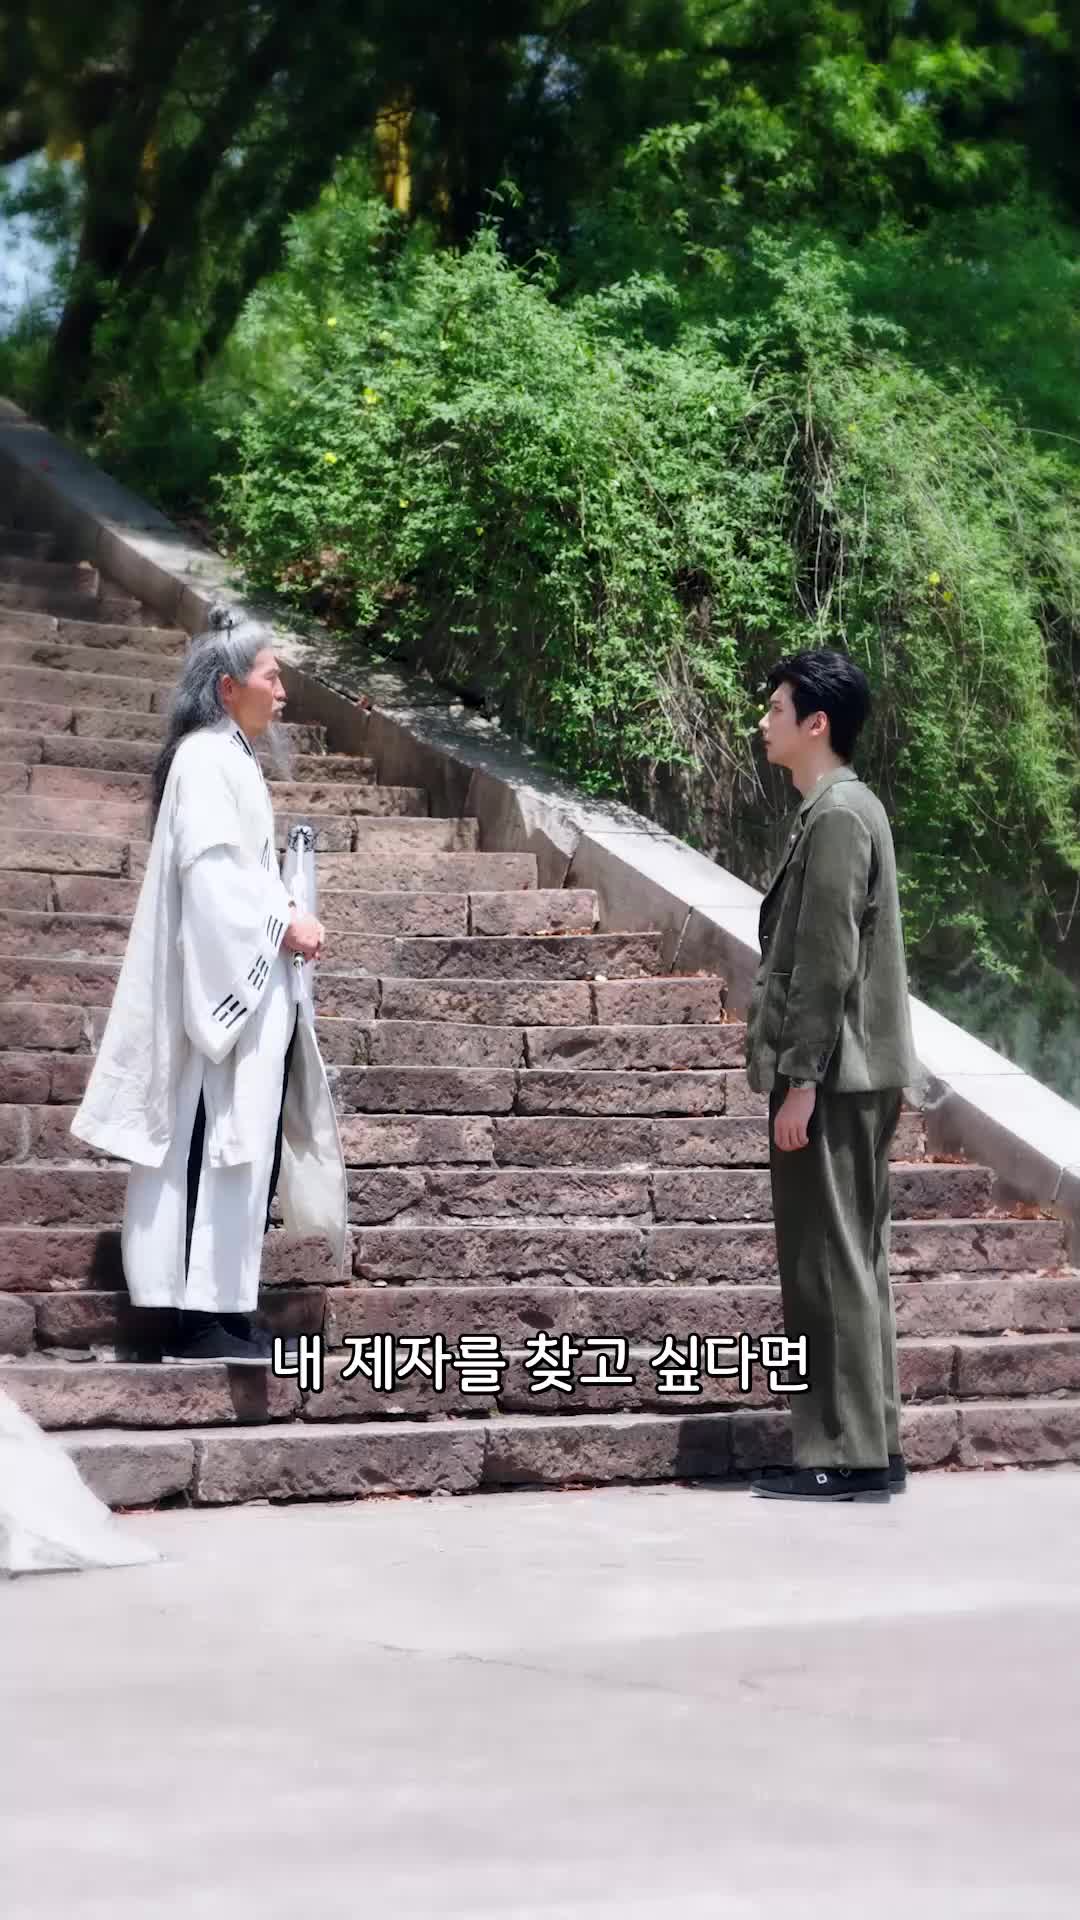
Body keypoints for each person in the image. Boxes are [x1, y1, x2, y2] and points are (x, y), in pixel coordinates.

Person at [70, 622, 348, 1365]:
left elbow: (237, 875)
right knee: (211, 1139)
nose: (283, 692)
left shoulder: (229, 760)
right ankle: (197, 1320)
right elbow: (215, 881)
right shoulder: (204, 758)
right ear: (228, 687)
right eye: (270, 676)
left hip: (239, 992)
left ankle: (220, 1310)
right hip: (217, 1001)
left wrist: (282, 909)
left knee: (238, 1143)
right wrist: (285, 920)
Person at [745, 648, 918, 1502]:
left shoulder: (841, 815)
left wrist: (801, 1078)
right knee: (855, 1257)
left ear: (817, 724)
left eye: (777, 709)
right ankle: (872, 1440)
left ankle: (842, 1453)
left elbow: (826, 959)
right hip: (851, 1071)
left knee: (826, 1261)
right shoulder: (843, 809)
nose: (764, 721)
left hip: (835, 1075)